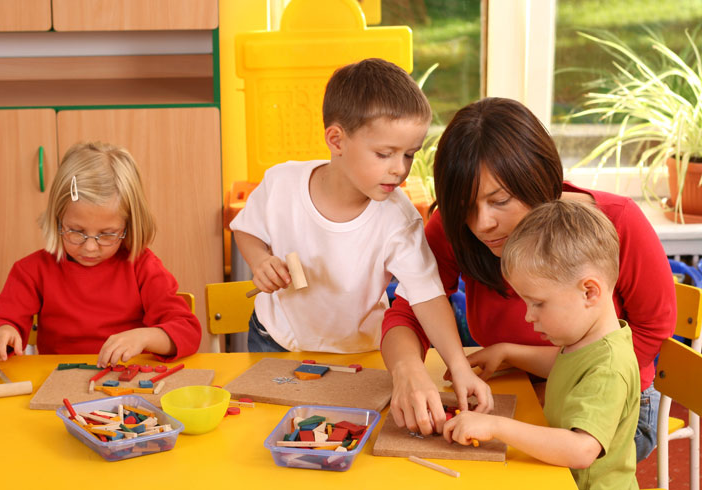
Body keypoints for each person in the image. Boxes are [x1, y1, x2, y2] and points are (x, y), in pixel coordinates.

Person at [381, 97, 675, 459]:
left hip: (606, 406)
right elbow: (408, 313)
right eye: (465, 206)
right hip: (516, 389)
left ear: (539, 179)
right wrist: (407, 370)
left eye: (500, 200)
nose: (482, 223)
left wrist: (553, 390)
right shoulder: (456, 229)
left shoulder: (616, 222)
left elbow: (652, 331)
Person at [230, 58, 492, 413]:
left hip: (360, 354)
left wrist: (459, 367)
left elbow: (428, 298)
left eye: (410, 155)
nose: (400, 169)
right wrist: (259, 260)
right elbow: (246, 230)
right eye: (384, 154)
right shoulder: (281, 183)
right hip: (274, 341)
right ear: (337, 140)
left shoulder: (398, 219)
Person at [444, 199, 640, 490]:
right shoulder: (589, 342)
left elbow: (581, 450)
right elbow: (567, 366)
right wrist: (508, 351)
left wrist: (496, 426)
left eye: (538, 303)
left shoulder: (610, 367)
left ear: (589, 292)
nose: (528, 315)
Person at [0, 141, 202, 366]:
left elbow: (187, 331)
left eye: (107, 234)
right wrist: (1, 333)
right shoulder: (31, 271)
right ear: (57, 220)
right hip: (59, 381)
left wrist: (145, 337)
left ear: (129, 226)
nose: (90, 247)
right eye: (76, 231)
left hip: (126, 382)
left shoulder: (142, 266)